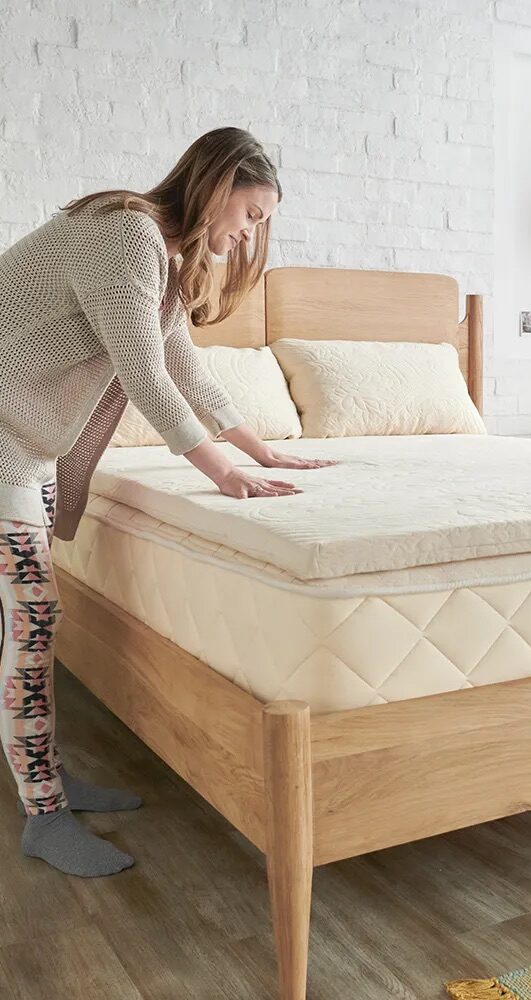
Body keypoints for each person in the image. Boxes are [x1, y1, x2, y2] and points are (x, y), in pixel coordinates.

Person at [0, 125, 336, 877]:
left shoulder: (163, 260)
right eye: (250, 214)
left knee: (32, 620)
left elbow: (189, 371)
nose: (251, 233)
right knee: (33, 619)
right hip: (2, 444)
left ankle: (45, 780)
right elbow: (146, 379)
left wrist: (263, 451)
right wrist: (222, 474)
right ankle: (44, 812)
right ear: (217, 188)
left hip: (24, 443)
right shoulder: (125, 235)